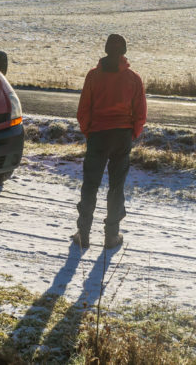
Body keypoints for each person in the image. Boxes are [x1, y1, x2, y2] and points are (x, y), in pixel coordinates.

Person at [72, 33, 147, 250]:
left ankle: (83, 233)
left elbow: (83, 110)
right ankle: (111, 236)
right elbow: (140, 113)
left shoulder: (93, 76)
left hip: (98, 135)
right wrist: (132, 133)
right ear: (124, 51)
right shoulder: (133, 78)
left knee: (90, 185)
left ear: (106, 50)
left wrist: (89, 131)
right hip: (122, 135)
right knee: (116, 187)